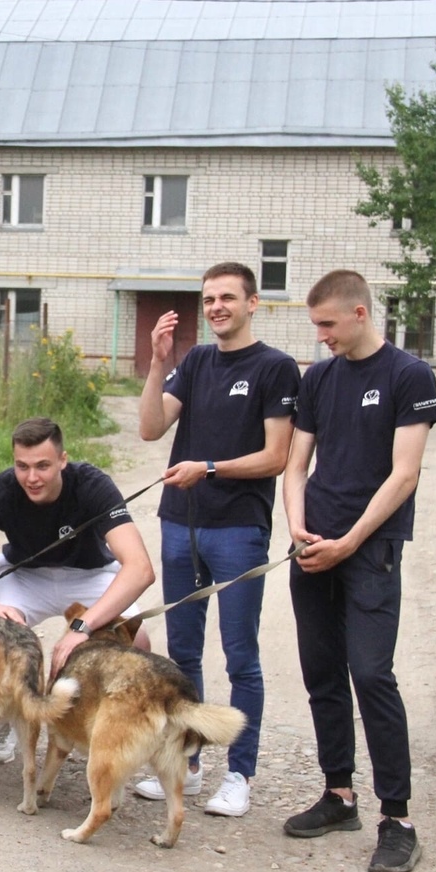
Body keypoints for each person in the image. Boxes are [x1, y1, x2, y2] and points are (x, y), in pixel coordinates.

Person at [282, 270, 436, 872]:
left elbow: (404, 474)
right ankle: (338, 794)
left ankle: (397, 819)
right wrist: (298, 528)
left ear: (358, 313)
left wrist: (349, 542)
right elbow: (296, 464)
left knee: (372, 675)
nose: (320, 336)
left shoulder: (408, 375)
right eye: (314, 325)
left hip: (369, 549)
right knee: (321, 672)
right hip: (314, 546)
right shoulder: (318, 378)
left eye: (326, 324)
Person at [133, 261, 300, 817]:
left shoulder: (276, 368)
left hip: (237, 529)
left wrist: (206, 467)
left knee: (239, 655)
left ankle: (240, 774)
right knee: (182, 652)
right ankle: (190, 763)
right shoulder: (198, 360)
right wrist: (158, 364)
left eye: (227, 297)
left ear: (253, 303)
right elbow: (151, 427)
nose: (216, 307)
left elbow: (276, 457)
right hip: (180, 521)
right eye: (208, 300)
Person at [0, 417, 155, 764]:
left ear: (63, 460)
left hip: (89, 573)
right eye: (22, 466)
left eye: (43, 466)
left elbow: (140, 569)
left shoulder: (92, 485)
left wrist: (82, 627)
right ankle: (5, 719)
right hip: (26, 576)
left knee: (140, 642)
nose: (32, 478)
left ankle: (117, 737)